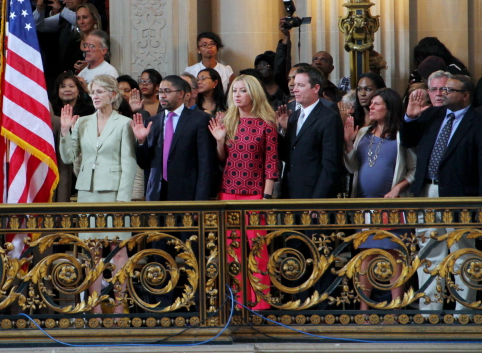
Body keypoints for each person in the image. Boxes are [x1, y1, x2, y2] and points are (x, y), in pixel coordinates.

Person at [402, 74, 482, 310]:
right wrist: (409, 117)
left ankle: (463, 313)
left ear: (465, 95)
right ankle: (430, 312)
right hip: (427, 190)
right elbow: (407, 140)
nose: (442, 94)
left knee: (463, 253)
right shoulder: (432, 116)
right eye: (441, 90)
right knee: (429, 252)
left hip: (461, 196)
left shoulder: (477, 122)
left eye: (449, 90)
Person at [59, 75, 137, 313]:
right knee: (93, 251)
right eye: (92, 92)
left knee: (119, 250)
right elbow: (68, 157)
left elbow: (129, 162)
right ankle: (95, 308)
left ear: (113, 95)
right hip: (88, 192)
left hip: (115, 194)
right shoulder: (82, 122)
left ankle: (120, 308)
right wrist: (64, 131)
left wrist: (123, 200)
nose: (95, 96)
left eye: (100, 92)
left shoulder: (123, 123)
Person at [208, 75, 279, 310]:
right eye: (234, 91)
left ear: (254, 94)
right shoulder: (227, 120)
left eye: (243, 91)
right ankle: (238, 300)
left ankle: (260, 302)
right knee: (232, 251)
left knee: (258, 250)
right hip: (228, 191)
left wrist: (266, 198)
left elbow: (271, 164)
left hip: (255, 194)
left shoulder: (265, 124)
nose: (237, 95)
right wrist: (219, 141)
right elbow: (222, 160)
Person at [343, 88, 415, 311]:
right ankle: (364, 309)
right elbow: (353, 166)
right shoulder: (364, 132)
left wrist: (397, 189)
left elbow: (413, 170)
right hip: (365, 205)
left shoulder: (402, 134)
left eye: (376, 104)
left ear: (389, 107)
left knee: (394, 254)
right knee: (366, 255)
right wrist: (347, 143)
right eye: (371, 103)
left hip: (391, 205)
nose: (370, 107)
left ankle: (396, 307)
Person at [131, 75, 215, 201]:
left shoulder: (199, 120)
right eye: (160, 92)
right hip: (156, 194)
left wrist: (200, 202)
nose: (162, 96)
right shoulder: (151, 122)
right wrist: (142, 142)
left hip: (187, 195)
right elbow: (145, 164)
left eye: (167, 91)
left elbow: (205, 165)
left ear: (181, 94)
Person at [275, 66, 343, 199]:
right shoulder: (293, 116)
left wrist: (318, 200)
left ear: (316, 88)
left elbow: (331, 166)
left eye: (300, 85)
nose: (295, 89)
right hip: (290, 193)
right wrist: (274, 131)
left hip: (313, 195)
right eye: (294, 85)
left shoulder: (329, 118)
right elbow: (289, 154)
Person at [50, 72, 95, 202]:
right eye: (63, 86)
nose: (67, 90)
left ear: (78, 90)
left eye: (71, 86)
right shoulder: (51, 112)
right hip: (57, 162)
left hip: (80, 162)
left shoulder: (89, 111)